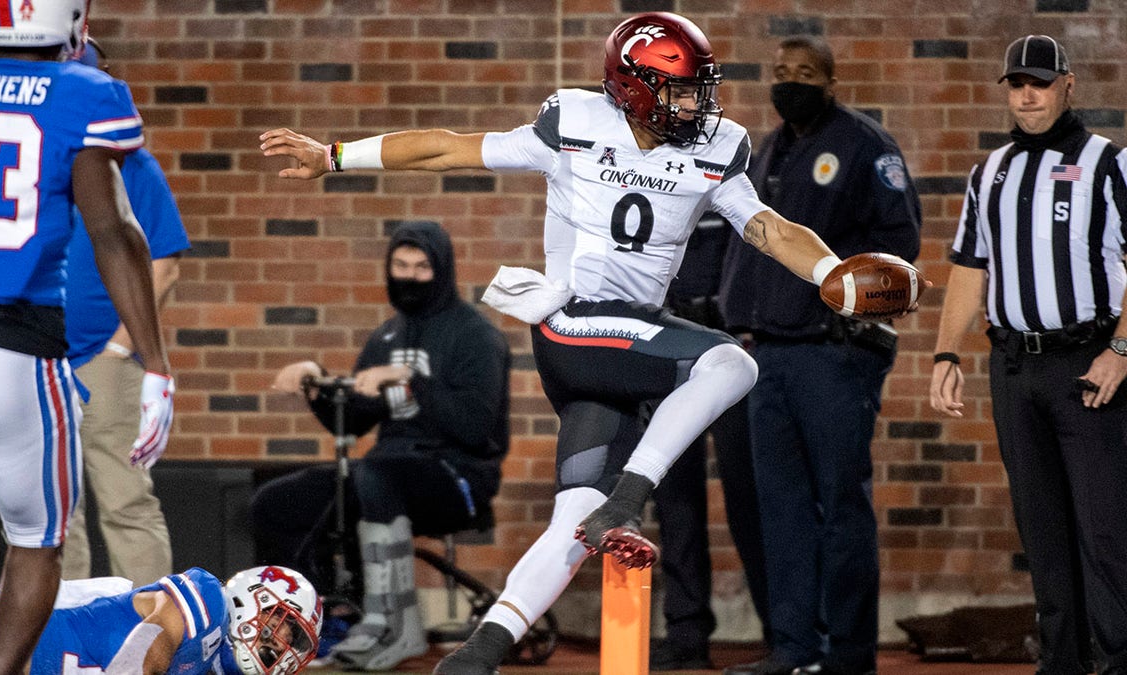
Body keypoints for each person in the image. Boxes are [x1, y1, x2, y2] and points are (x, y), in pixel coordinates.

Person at [259, 13, 912, 674]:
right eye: (680, 90)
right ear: (632, 88)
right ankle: (631, 498)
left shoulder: (718, 145)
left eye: (699, 88)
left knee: (574, 518)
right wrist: (335, 156)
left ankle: (476, 654)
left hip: (625, 353)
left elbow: (769, 229)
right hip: (572, 324)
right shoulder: (572, 123)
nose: (698, 105)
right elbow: (447, 147)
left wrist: (830, 270)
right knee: (729, 362)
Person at [0, 3, 174, 674]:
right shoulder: (84, 91)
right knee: (38, 542)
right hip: (15, 346)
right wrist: (156, 363)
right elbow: (114, 230)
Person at [718, 36, 921, 675]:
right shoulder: (769, 152)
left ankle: (850, 655)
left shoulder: (865, 146)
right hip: (770, 357)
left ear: (831, 80)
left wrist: (855, 310)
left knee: (840, 507)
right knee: (778, 510)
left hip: (837, 358)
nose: (790, 82)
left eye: (804, 73)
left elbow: (901, 243)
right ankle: (794, 648)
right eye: (780, 73)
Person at [930, 34, 1127, 675]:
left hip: (1089, 362)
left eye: (1040, 82)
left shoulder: (1108, 163)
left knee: (1104, 531)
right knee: (1041, 528)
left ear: (1068, 85)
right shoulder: (990, 172)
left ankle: (1116, 661)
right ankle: (1062, 663)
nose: (1028, 95)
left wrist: (1121, 348)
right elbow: (968, 266)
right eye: (1017, 83)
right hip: (1014, 366)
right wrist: (945, 355)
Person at [252, 221, 510, 671]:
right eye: (400, 265)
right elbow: (350, 422)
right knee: (275, 503)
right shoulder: (386, 337)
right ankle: (324, 621)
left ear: (442, 270)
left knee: (374, 472)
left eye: (421, 267)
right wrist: (314, 381)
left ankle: (393, 624)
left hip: (459, 476)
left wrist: (412, 381)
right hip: (385, 474)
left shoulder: (476, 336)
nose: (409, 276)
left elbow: (477, 430)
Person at [61, 40, 190, 587]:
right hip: (35, 358)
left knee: (125, 501)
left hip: (102, 359)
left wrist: (117, 348)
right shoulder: (31, 152)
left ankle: (151, 641)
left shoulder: (132, 163)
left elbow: (164, 265)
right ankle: (55, 644)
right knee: (47, 517)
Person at [650, 214, 769, 671]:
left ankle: (780, 631)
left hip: (736, 346)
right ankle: (686, 633)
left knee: (751, 500)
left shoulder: (737, 177)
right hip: (669, 344)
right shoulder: (654, 179)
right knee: (674, 499)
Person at [0, 564, 321, 674]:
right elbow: (156, 639)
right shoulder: (209, 601)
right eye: (275, 625)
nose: (274, 644)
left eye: (285, 643)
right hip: (5, 629)